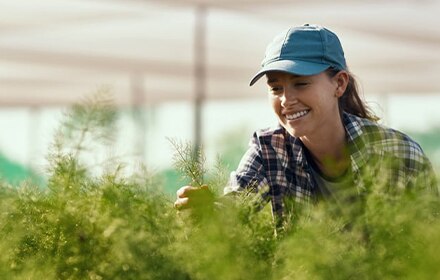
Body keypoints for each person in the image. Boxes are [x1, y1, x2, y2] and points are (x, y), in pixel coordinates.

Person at [174, 24, 437, 223]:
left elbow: (429, 243)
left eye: (301, 83)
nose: (286, 100)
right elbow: (236, 209)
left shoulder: (397, 154)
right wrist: (205, 212)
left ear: (339, 83)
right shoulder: (269, 150)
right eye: (276, 88)